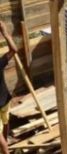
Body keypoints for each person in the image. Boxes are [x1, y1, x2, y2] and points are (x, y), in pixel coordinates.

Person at [0, 21, 17, 154]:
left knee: (1, 140)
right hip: (5, 98)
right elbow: (14, 50)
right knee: (5, 122)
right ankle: (6, 143)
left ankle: (5, 148)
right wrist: (5, 33)